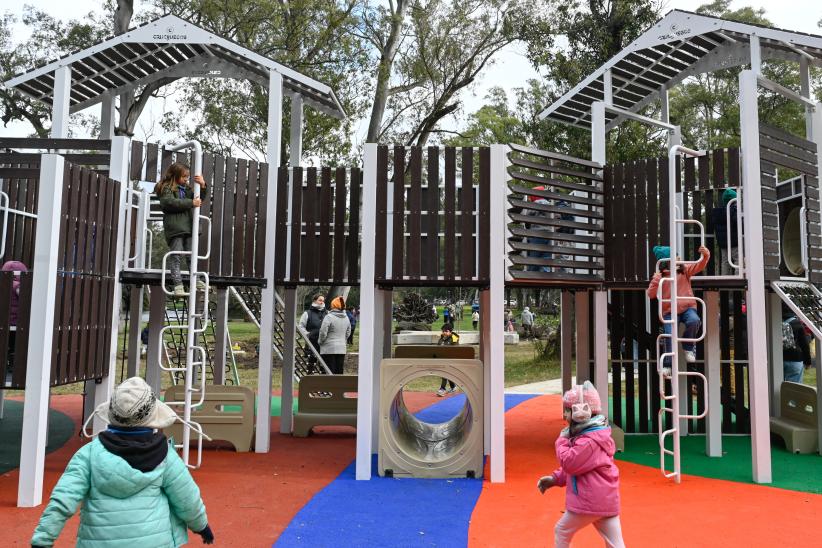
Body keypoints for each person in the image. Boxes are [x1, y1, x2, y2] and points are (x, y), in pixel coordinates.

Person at [31, 377, 214, 547]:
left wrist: (42, 540)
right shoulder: (165, 455)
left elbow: (63, 500)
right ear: (152, 417)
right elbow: (187, 498)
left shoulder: (89, 454)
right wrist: (201, 526)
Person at [537, 381, 624, 548]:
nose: (565, 415)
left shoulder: (588, 442)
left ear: (581, 412)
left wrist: (561, 441)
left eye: (568, 410)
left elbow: (570, 463)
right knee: (615, 544)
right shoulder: (595, 436)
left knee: (562, 530)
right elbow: (579, 466)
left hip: (589, 501)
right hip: (606, 500)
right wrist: (555, 479)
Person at [647, 245, 710, 369]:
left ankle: (688, 347)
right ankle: (667, 365)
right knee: (669, 335)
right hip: (670, 311)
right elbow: (651, 294)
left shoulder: (684, 270)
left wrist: (705, 256)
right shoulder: (661, 277)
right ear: (667, 261)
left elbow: (699, 266)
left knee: (694, 320)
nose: (679, 258)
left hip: (687, 307)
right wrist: (656, 279)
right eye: (676, 256)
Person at [155, 162, 208, 298]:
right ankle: (178, 285)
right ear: (175, 175)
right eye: (184, 177)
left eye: (188, 177)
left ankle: (195, 280)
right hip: (176, 228)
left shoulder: (187, 189)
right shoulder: (166, 188)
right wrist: (190, 203)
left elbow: (199, 199)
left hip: (190, 228)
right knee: (176, 256)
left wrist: (202, 185)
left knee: (192, 256)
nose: (186, 179)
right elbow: (169, 203)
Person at [2, 260, 26, 382]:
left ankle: (5, 365)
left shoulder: (3, 284)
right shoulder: (17, 285)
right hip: (15, 324)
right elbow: (25, 299)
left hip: (3, 324)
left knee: (6, 346)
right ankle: (12, 365)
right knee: (14, 346)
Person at [710, 187, 740, 275]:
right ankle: (738, 276)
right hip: (734, 240)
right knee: (738, 258)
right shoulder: (733, 211)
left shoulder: (718, 213)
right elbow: (738, 222)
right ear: (734, 201)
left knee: (725, 260)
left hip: (723, 242)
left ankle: (725, 276)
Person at [319, 296, 351, 374]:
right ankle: (339, 386)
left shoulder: (329, 317)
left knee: (329, 371)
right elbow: (348, 332)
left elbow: (323, 332)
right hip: (341, 348)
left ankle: (329, 386)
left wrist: (320, 341)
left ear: (333, 305)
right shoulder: (346, 318)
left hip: (328, 348)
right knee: (339, 371)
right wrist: (343, 340)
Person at [782, 307, 812, 383]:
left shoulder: (773, 321)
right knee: (794, 388)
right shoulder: (798, 324)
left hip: (778, 358)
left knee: (777, 386)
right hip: (796, 358)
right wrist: (808, 361)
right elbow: (804, 345)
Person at [299, 293, 327, 368]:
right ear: (314, 300)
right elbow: (301, 326)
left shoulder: (327, 313)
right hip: (311, 343)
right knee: (311, 366)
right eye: (320, 300)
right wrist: (308, 334)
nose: (322, 302)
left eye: (323, 301)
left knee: (324, 366)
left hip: (324, 343)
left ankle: (324, 379)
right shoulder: (307, 313)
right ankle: (310, 379)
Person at [436, 324, 460, 397]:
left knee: (444, 373)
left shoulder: (454, 338)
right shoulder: (441, 338)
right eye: (443, 331)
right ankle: (453, 387)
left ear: (450, 331)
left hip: (450, 360)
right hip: (442, 359)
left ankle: (442, 389)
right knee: (447, 373)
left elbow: (455, 351)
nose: (444, 333)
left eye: (446, 331)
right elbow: (437, 348)